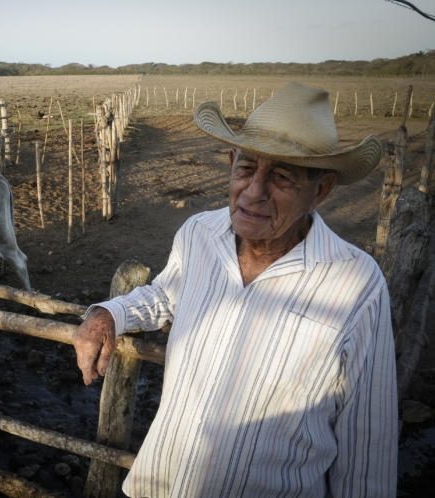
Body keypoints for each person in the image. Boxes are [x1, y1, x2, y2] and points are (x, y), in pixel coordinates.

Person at [72, 82, 397, 497]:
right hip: (164, 485)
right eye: (246, 168)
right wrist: (108, 314)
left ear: (321, 190)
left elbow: (367, 443)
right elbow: (164, 294)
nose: (254, 191)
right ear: (230, 163)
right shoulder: (199, 234)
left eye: (281, 176)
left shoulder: (355, 283)